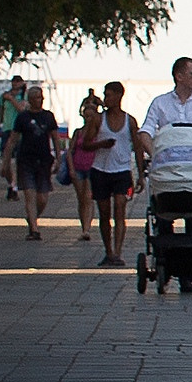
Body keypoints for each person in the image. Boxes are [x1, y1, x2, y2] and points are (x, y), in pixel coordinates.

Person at [81, 81, 138, 266]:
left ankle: (118, 252)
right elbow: (86, 144)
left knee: (120, 208)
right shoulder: (98, 120)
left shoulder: (130, 121)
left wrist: (140, 174)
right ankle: (109, 251)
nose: (106, 99)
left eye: (109, 95)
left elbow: (137, 147)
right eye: (105, 95)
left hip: (122, 170)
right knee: (104, 212)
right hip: (101, 170)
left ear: (119, 96)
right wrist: (101, 144)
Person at [4, 85, 62, 240]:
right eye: (37, 97)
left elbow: (55, 138)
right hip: (26, 161)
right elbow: (12, 140)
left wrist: (59, 158)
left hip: (44, 161)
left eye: (41, 97)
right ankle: (34, 230)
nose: (40, 100)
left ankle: (32, 217)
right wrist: (6, 162)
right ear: (30, 100)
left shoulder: (48, 116)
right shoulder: (23, 117)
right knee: (30, 194)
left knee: (42, 198)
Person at [67, 92, 102, 240]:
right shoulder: (79, 133)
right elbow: (70, 151)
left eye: (91, 116)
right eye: (86, 116)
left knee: (88, 197)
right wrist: (71, 169)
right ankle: (83, 225)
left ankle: (87, 228)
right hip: (78, 167)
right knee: (81, 198)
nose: (88, 119)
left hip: (92, 167)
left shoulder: (99, 133)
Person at [0, 74, 28, 200]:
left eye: (18, 82)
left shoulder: (24, 96)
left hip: (19, 131)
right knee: (6, 159)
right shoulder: (4, 97)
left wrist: (12, 99)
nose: (15, 84)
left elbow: (22, 110)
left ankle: (15, 186)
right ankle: (11, 183)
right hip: (7, 130)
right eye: (14, 81)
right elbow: (0, 114)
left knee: (17, 160)